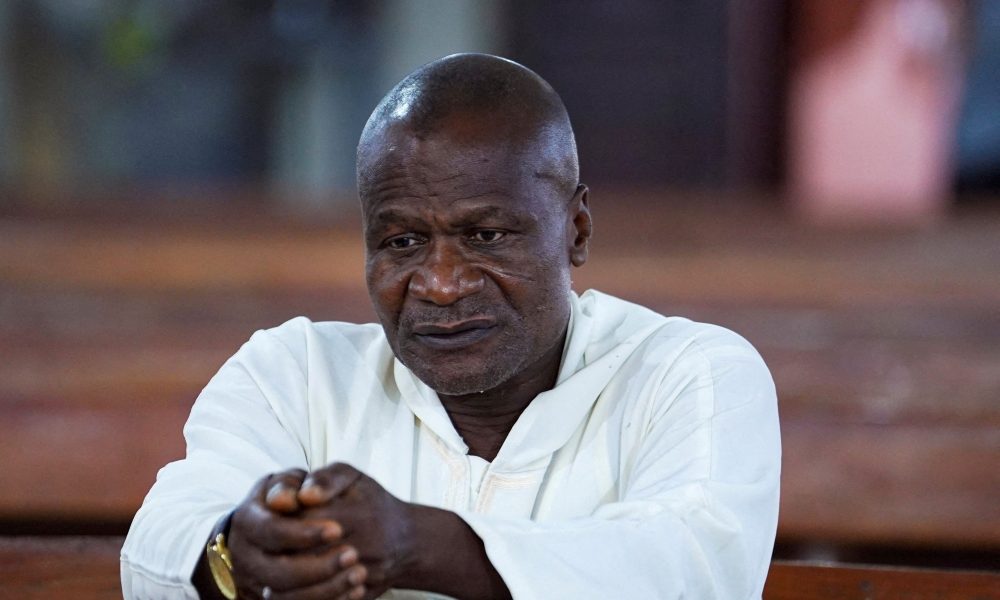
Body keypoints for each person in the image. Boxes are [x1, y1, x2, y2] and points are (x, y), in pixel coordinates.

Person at [121, 53, 780, 600]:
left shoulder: (688, 372)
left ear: (576, 230)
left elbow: (695, 569)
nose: (439, 283)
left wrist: (416, 543)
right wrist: (241, 550)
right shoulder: (295, 373)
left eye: (486, 234)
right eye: (403, 241)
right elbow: (159, 545)